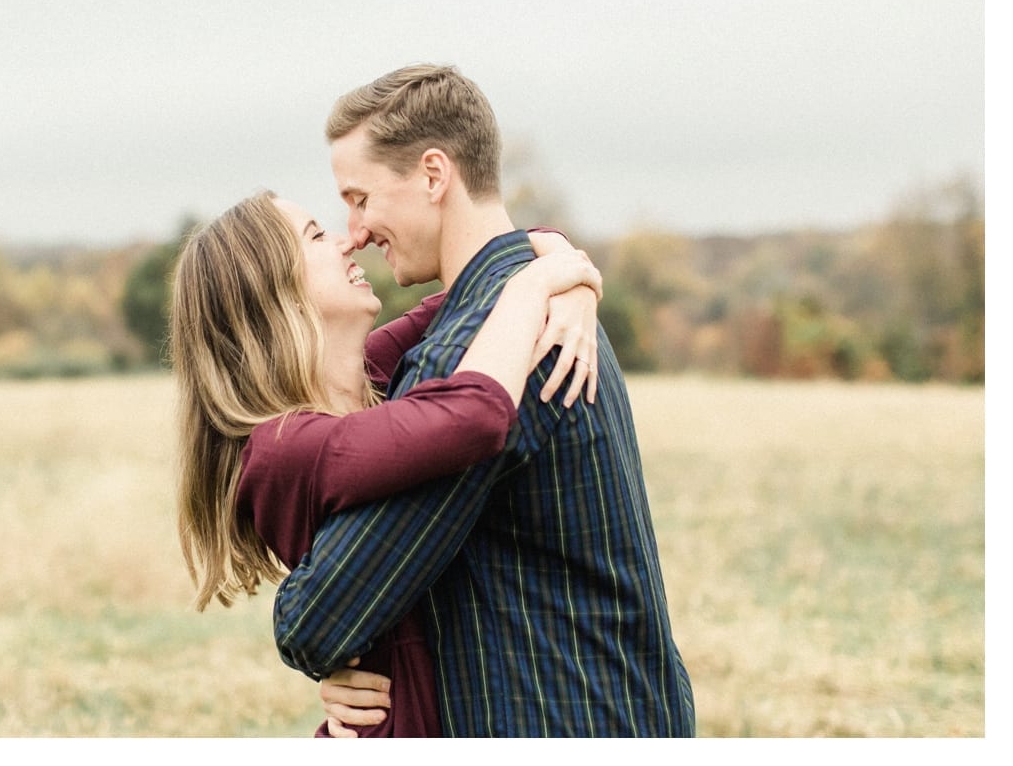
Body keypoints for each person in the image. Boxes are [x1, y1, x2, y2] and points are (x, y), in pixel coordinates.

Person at [273, 64, 697, 737]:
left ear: (435, 176)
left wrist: (324, 653)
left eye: (359, 198)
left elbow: (325, 616)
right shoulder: (541, 303)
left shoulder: (482, 358)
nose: (353, 231)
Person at [171, 190, 604, 736]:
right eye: (315, 235)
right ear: (273, 292)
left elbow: (486, 280)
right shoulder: (283, 447)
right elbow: (475, 416)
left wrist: (574, 286)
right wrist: (540, 284)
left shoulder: (368, 374)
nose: (347, 239)